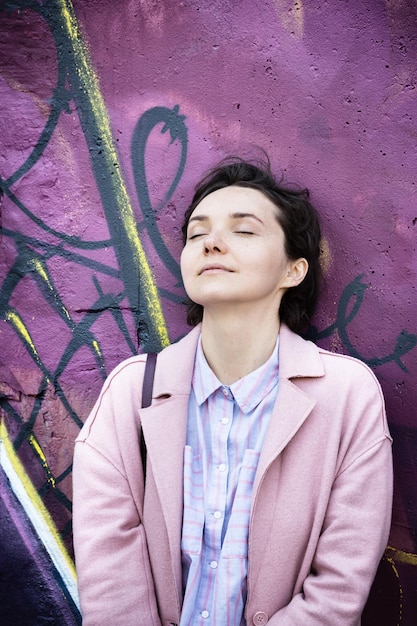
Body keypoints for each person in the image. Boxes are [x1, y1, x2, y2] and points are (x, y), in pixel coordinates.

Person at [72, 157, 393, 626]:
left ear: (293, 270)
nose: (211, 243)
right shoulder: (131, 392)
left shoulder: (347, 396)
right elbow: (109, 578)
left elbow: (338, 588)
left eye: (243, 231)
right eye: (197, 234)